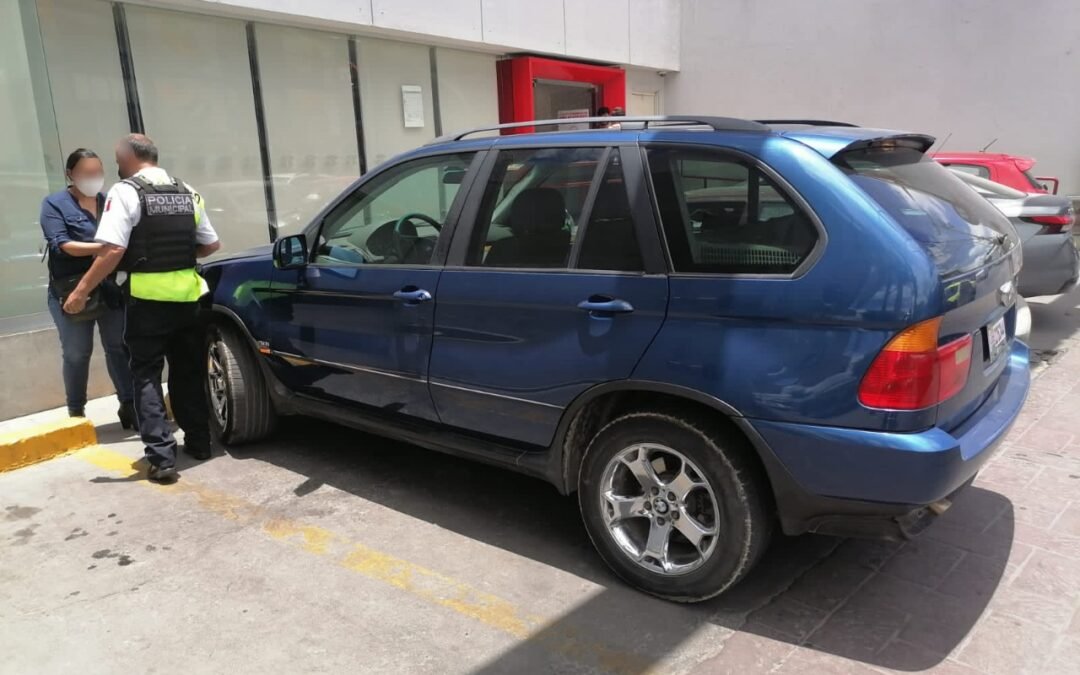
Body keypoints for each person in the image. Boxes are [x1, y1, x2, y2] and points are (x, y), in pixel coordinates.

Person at [63, 134, 221, 483]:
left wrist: (81, 291)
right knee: (188, 372)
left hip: (148, 302)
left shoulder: (125, 191)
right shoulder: (187, 191)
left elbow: (112, 250)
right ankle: (199, 442)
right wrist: (177, 258)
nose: (116, 166)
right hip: (190, 299)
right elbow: (211, 244)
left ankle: (162, 459)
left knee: (146, 376)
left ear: (128, 158)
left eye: (117, 159)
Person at [40, 148, 136, 426]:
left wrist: (111, 252)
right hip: (71, 290)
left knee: (118, 346)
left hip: (107, 288)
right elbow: (62, 245)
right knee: (76, 352)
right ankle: (76, 412)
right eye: (86, 173)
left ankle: (129, 405)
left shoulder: (109, 201)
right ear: (71, 174)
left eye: (97, 172)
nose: (94, 178)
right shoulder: (54, 204)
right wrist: (106, 249)